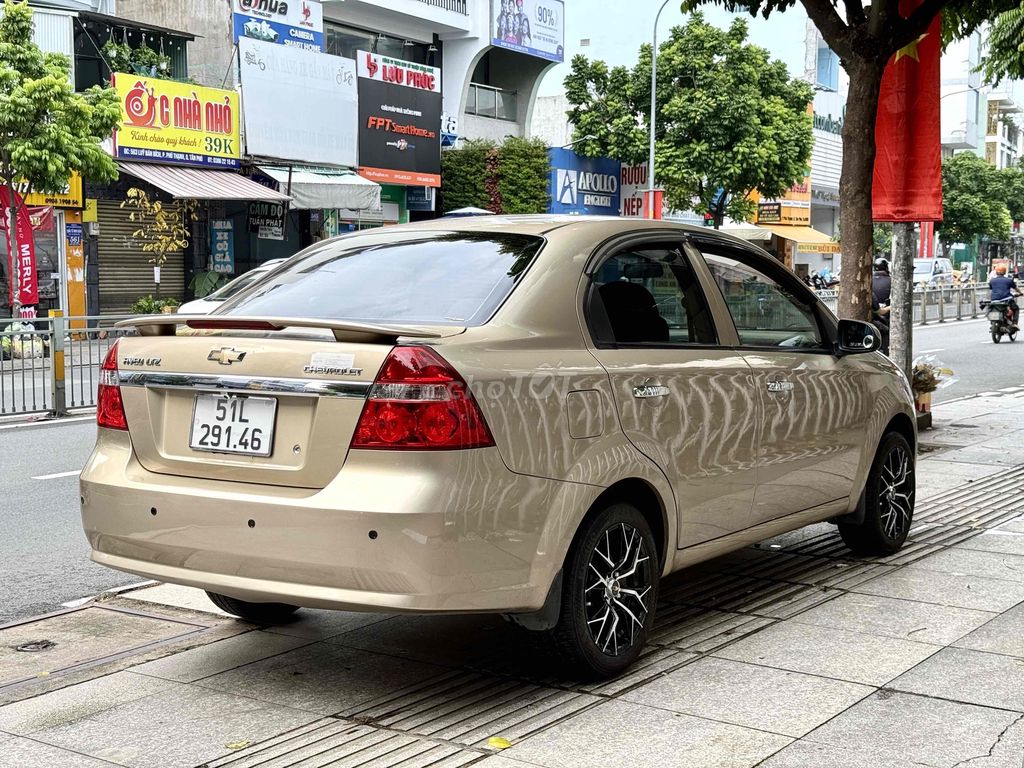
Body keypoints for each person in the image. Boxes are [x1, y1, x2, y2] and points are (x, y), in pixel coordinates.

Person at [989, 263, 1021, 329]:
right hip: (1006, 300)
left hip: (994, 300)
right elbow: (1015, 288)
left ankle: (992, 322)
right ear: (1004, 271)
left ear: (996, 272)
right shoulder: (1009, 280)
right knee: (1016, 308)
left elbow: (991, 288)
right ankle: (1014, 323)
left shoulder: (992, 280)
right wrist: (1021, 293)